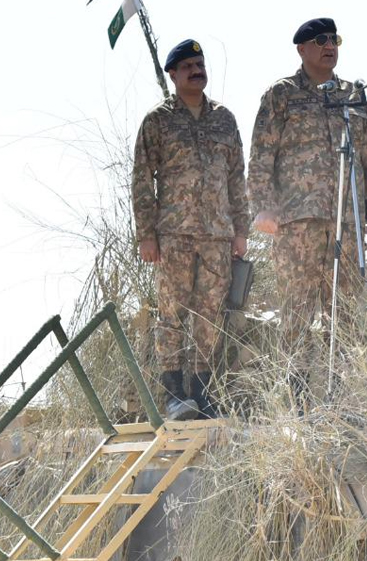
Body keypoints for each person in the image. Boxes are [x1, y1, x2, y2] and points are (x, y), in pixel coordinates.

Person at [248, 17, 367, 403]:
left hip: (347, 220)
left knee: (344, 311)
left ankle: (340, 396)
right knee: (296, 310)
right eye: (321, 40)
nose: (330, 45)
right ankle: (294, 397)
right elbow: (262, 154)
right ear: (302, 48)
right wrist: (262, 207)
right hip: (296, 222)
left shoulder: (352, 95)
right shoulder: (281, 95)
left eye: (335, 39)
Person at [132, 39, 249, 420]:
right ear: (173, 75)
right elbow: (141, 179)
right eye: (188, 66)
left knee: (209, 315)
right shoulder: (158, 120)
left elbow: (236, 178)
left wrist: (240, 230)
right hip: (174, 236)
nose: (197, 70)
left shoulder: (224, 119)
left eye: (200, 64)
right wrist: (146, 234)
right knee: (172, 313)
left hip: (217, 235)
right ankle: (172, 394)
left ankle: (202, 392)